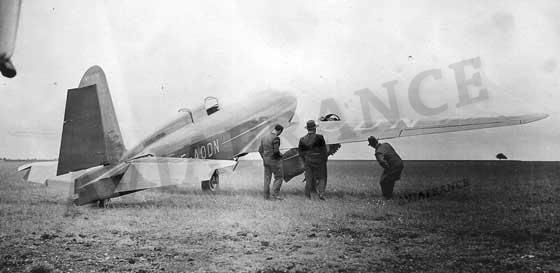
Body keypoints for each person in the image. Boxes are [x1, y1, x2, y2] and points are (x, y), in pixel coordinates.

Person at [298, 120, 328, 200]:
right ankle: (321, 194)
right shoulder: (320, 137)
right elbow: (324, 151)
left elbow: (300, 153)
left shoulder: (302, 139)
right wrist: (324, 160)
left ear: (307, 129)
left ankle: (307, 196)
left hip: (308, 161)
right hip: (319, 161)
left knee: (309, 178)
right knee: (322, 177)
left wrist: (304, 162)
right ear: (314, 128)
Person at [258, 124, 284, 200]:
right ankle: (274, 195)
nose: (280, 134)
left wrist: (264, 157)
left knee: (267, 178)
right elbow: (276, 151)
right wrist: (280, 155)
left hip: (266, 161)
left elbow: (260, 150)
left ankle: (266, 196)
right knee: (279, 177)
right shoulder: (276, 138)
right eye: (280, 132)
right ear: (279, 130)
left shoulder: (264, 137)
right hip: (274, 161)